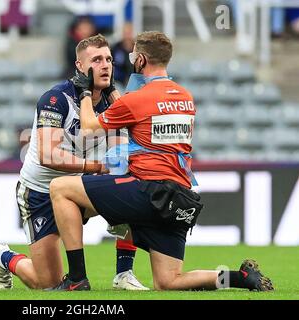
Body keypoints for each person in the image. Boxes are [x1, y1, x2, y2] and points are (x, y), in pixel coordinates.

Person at [47, 31, 274, 292]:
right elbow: (144, 119)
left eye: (134, 57)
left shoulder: (138, 98)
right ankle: (240, 278)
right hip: (178, 198)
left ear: (141, 60)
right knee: (169, 282)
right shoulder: (185, 97)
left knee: (61, 189)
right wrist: (115, 96)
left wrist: (85, 91)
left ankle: (76, 278)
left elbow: (89, 127)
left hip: (147, 192)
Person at [0, 34, 148, 291]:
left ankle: (124, 273)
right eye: (96, 60)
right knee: (45, 282)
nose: (105, 65)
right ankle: (4, 257)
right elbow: (49, 155)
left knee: (132, 185)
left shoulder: (113, 102)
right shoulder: (55, 99)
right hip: (40, 191)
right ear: (79, 66)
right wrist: (96, 168)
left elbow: (119, 156)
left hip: (80, 189)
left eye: (108, 59)